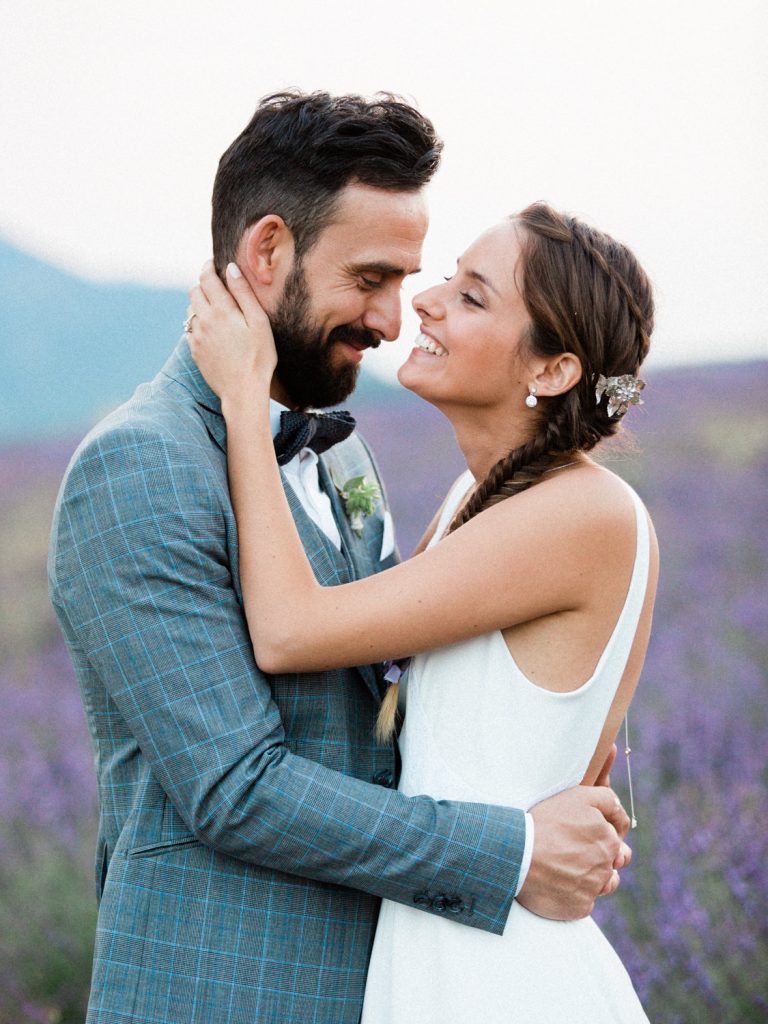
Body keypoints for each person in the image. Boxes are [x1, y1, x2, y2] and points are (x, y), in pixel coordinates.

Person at [49, 92, 630, 1024]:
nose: (395, 320)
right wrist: (512, 849)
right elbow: (234, 791)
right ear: (268, 250)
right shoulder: (137, 468)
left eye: (410, 280)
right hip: (221, 991)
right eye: (371, 278)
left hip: (397, 981)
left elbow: (388, 700)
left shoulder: (343, 452)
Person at [186, 198, 658, 1022]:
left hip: (503, 979)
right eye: (448, 279)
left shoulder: (584, 513)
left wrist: (241, 401)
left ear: (552, 372)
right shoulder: (476, 500)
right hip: (441, 949)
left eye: (473, 296)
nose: (427, 302)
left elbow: (293, 631)